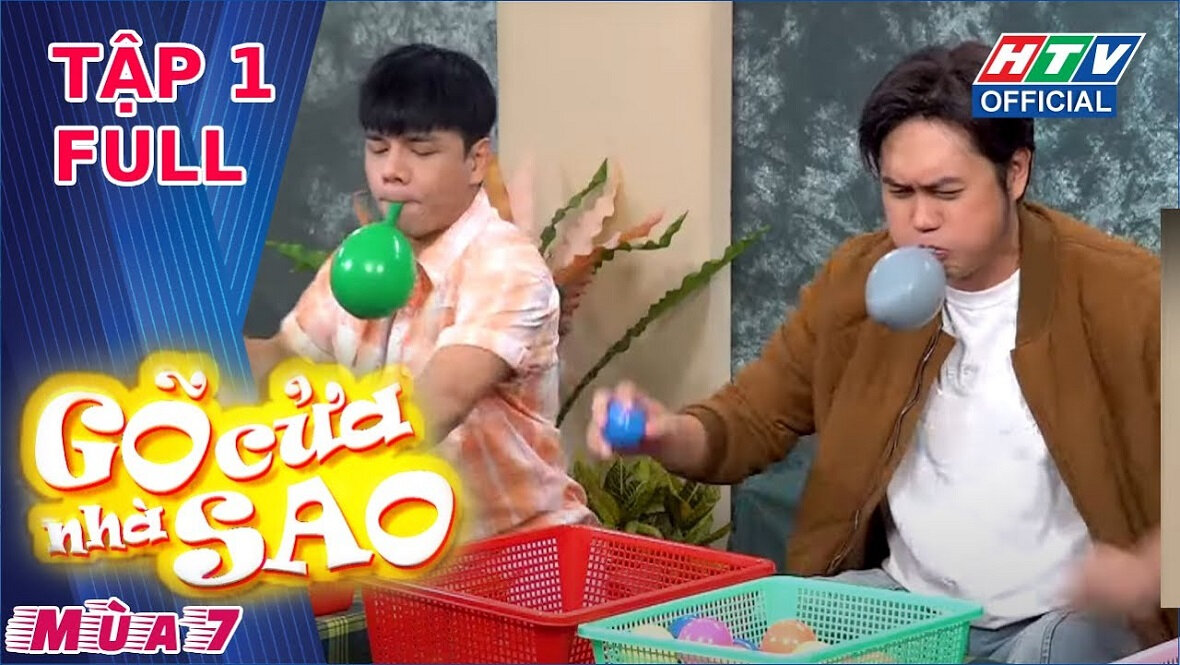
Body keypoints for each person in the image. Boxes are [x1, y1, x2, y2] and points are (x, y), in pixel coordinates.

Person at [587, 40, 1172, 663]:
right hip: (910, 607)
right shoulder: (856, 280)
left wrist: (1144, 569)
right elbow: (751, 419)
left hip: (1062, 621)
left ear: (1015, 173)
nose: (920, 219)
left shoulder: (1133, 290)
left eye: (946, 192)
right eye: (899, 191)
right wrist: (663, 434)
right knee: (786, 636)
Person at [248, 43, 594, 542]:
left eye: (421, 150)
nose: (392, 170)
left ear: (476, 161)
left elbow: (440, 400)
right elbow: (282, 360)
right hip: (408, 553)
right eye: (378, 148)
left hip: (519, 555)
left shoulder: (506, 263)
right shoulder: (361, 254)